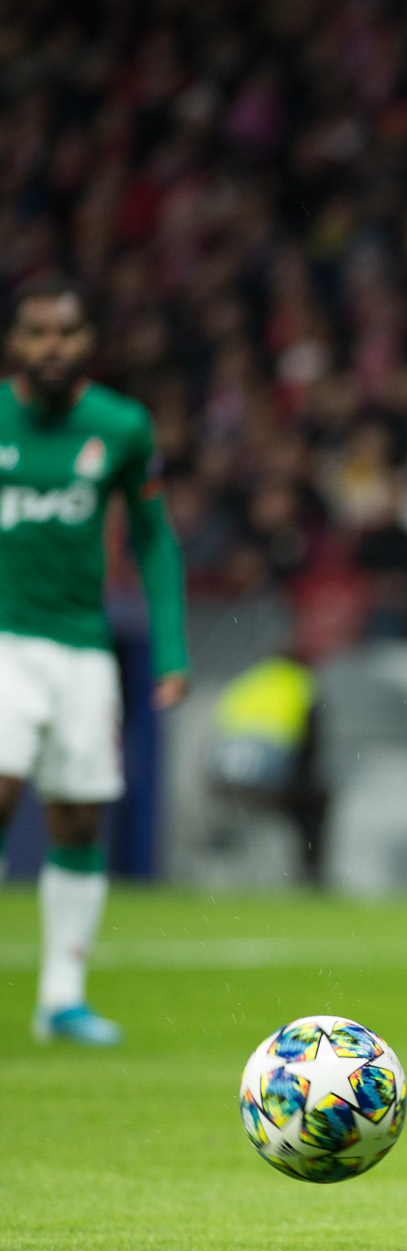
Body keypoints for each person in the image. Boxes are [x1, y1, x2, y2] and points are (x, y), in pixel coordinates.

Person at [0, 276, 189, 1045]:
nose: (52, 347)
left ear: (88, 343)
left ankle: (61, 998)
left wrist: (170, 647)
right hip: (4, 637)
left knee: (78, 815)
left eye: (67, 334)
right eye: (38, 332)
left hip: (82, 646)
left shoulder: (121, 425)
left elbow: (152, 535)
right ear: (16, 340)